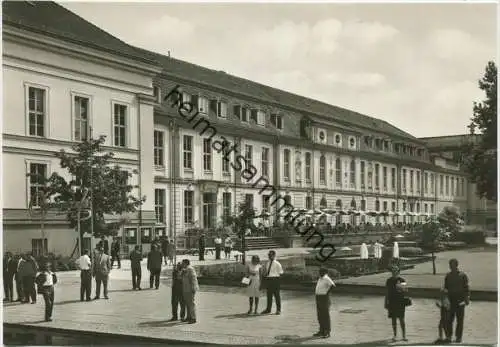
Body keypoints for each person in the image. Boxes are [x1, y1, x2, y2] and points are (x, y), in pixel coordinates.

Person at [444, 258, 470, 344]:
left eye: (452, 265)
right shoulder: (448, 276)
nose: (450, 266)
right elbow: (446, 288)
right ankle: (449, 336)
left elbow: (466, 287)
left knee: (460, 319)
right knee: (449, 319)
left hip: (460, 299)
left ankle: (459, 337)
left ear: (456, 265)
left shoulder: (462, 275)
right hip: (451, 299)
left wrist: (467, 298)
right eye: (450, 265)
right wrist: (445, 298)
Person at [385, 266, 408, 342]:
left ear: (398, 272)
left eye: (396, 270)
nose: (394, 272)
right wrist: (386, 302)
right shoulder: (388, 280)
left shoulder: (402, 280)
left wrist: (400, 287)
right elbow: (387, 292)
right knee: (393, 319)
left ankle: (404, 335)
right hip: (392, 301)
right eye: (393, 270)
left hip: (400, 301)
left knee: (401, 319)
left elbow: (405, 291)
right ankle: (395, 335)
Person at [313, 267, 335, 338]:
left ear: (324, 272)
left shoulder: (326, 278)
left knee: (325, 315)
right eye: (319, 272)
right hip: (318, 298)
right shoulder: (320, 278)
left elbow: (333, 286)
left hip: (324, 298)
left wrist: (326, 293)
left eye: (320, 272)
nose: (319, 273)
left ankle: (327, 332)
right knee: (320, 315)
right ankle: (321, 330)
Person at [261, 250, 284, 315]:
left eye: (271, 255)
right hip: (269, 279)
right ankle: (268, 309)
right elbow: (266, 272)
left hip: (275, 280)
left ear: (274, 255)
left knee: (277, 295)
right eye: (269, 255)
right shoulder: (267, 263)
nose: (269, 256)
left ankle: (278, 310)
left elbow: (281, 273)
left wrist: (278, 282)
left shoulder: (277, 263)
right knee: (269, 295)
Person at [181, 259, 199, 324]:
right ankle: (188, 317)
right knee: (187, 304)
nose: (182, 264)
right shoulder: (185, 269)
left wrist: (193, 288)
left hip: (190, 289)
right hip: (186, 289)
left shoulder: (190, 269)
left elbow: (193, 279)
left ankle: (193, 318)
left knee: (191, 304)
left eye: (183, 263)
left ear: (186, 263)